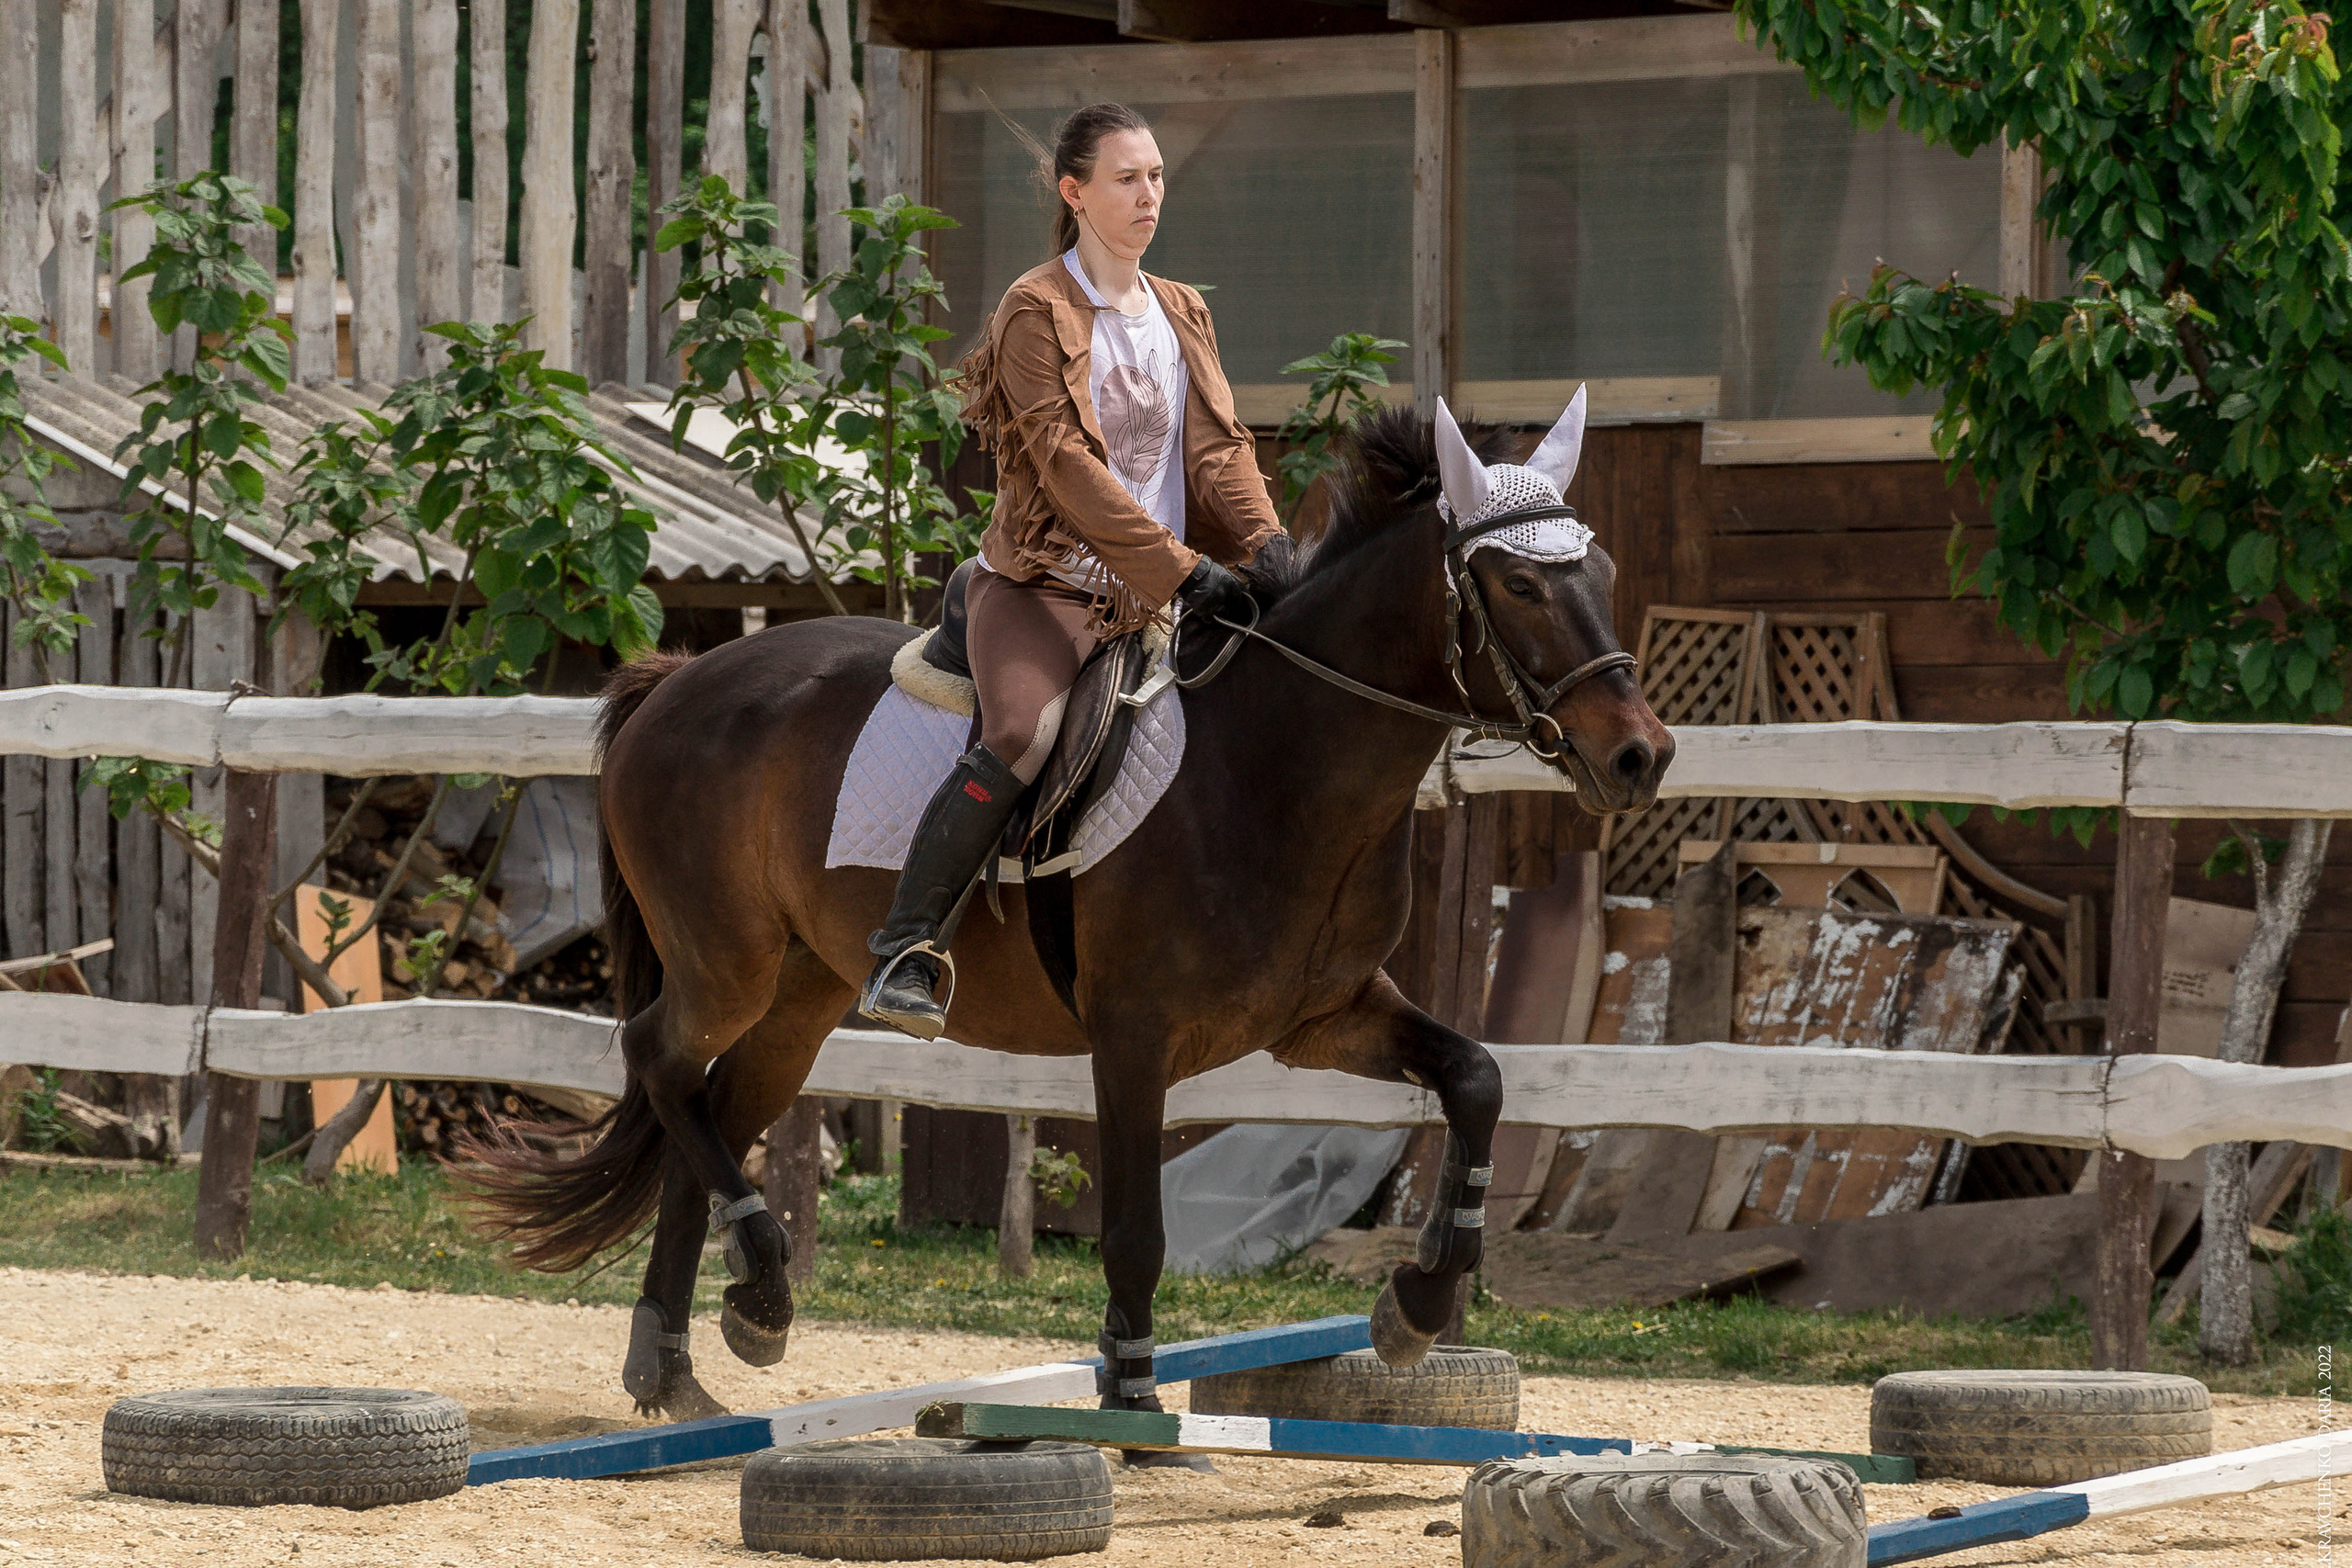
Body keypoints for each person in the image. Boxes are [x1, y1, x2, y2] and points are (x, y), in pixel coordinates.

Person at [858, 101, 1283, 1040]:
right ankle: (905, 947)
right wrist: (1180, 570)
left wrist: (1266, 545)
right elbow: (1065, 467)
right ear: (1074, 191)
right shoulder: (1033, 308)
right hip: (1043, 590)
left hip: (1161, 593)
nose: (1149, 195)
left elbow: (1218, 450)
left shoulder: (1182, 309)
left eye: (1159, 176)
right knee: (1021, 732)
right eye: (1128, 178)